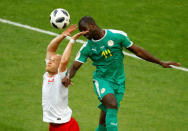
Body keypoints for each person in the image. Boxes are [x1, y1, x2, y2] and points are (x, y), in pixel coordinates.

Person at [62, 16, 180, 131]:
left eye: (85, 30)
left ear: (92, 25)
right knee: (112, 104)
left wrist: (160, 62)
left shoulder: (117, 35)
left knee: (103, 123)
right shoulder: (87, 47)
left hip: (119, 83)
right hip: (102, 81)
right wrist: (68, 76)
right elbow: (75, 66)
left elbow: (138, 51)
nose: (84, 34)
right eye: (81, 32)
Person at [42, 24, 88, 131]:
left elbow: (64, 61)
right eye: (50, 60)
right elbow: (50, 49)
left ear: (59, 68)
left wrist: (72, 40)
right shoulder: (47, 75)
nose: (50, 61)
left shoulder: (60, 77)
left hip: (65, 126)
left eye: (53, 61)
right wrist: (63, 35)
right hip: (53, 125)